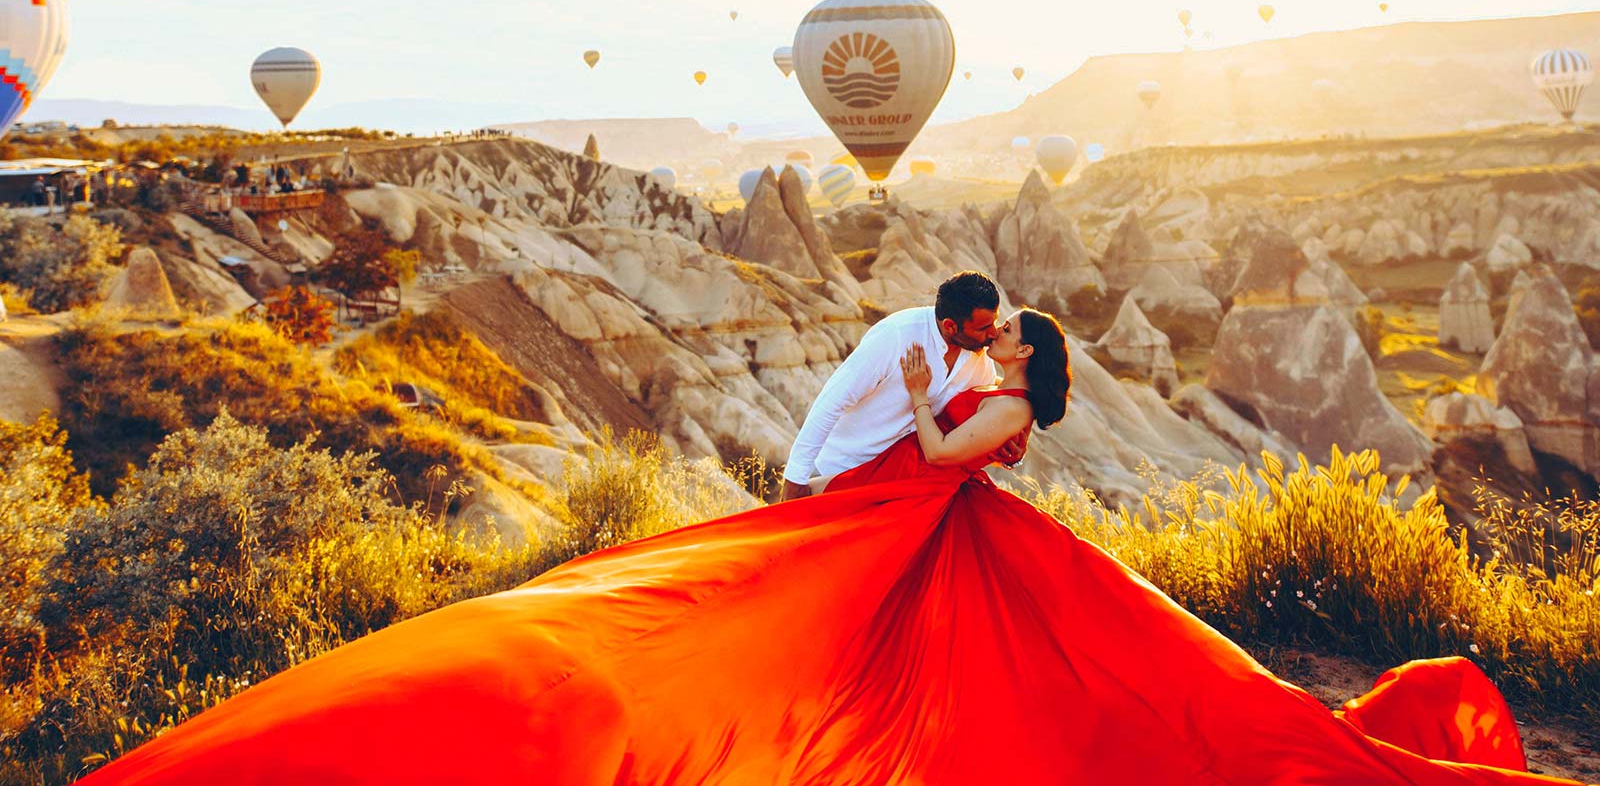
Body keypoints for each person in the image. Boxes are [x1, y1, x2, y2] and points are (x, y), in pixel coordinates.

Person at [79, 308, 1570, 784]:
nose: (985, 353)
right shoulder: (1002, 407)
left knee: (1077, 693)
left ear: (1024, 377)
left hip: (925, 530)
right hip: (912, 539)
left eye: (1001, 350)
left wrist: (928, 398)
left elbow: (935, 461)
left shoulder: (991, 426)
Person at [781, 270, 1024, 500]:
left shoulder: (979, 360)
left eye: (994, 322)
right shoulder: (896, 335)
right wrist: (795, 480)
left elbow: (965, 435)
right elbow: (830, 403)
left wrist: (1003, 454)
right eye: (983, 327)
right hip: (840, 473)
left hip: (901, 487)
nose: (993, 333)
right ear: (950, 326)